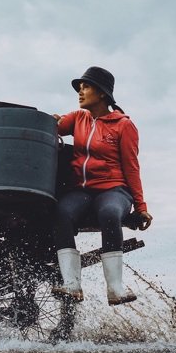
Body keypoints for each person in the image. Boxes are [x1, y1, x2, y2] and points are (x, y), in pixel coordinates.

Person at [53, 67, 152, 305]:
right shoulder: (78, 118)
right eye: (79, 87)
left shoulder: (123, 125)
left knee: (109, 213)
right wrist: (51, 120)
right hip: (83, 190)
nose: (80, 91)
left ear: (102, 93)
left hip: (114, 190)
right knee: (61, 213)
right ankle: (72, 285)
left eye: (86, 87)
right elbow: (54, 126)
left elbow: (131, 167)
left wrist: (140, 205)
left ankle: (115, 288)